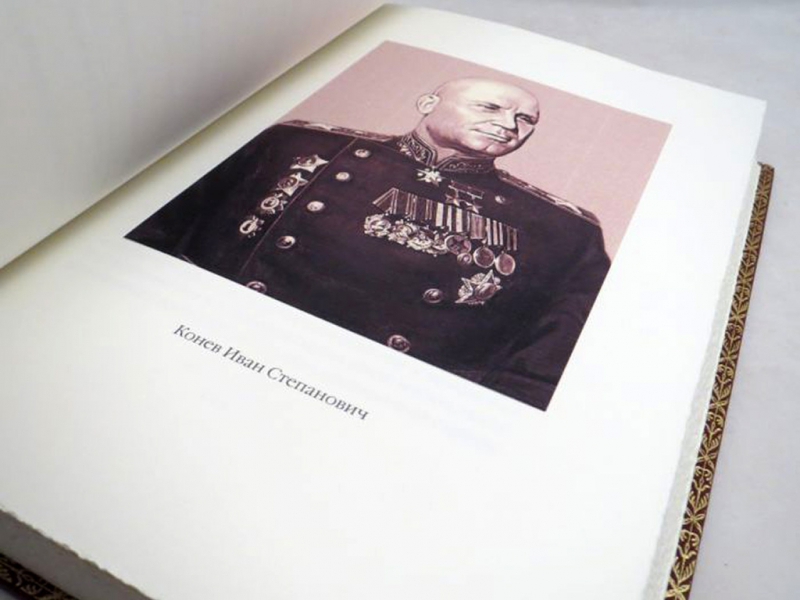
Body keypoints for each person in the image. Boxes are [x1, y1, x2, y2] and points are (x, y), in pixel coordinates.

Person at [127, 77, 610, 410]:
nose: (510, 124)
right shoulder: (295, 144)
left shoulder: (563, 230)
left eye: (526, 120)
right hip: (213, 346)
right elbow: (157, 229)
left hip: (378, 397)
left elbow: (545, 367)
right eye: (491, 107)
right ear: (427, 103)